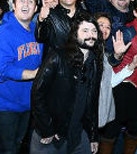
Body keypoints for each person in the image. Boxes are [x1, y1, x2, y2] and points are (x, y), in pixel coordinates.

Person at [30, 13, 102, 154]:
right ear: (75, 34)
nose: (91, 35)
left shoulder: (94, 62)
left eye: (94, 31)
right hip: (51, 136)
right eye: (85, 31)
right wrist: (47, 128)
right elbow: (37, 94)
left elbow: (92, 102)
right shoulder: (57, 56)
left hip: (77, 135)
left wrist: (93, 135)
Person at [0, 0, 41, 154]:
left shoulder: (37, 32)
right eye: (22, 0)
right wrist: (34, 74)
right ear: (13, 5)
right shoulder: (2, 34)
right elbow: (1, 70)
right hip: (3, 103)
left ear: (35, 8)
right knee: (8, 148)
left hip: (25, 102)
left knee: (18, 143)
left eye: (31, 1)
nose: (26, 3)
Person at [101, 0, 137, 154]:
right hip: (121, 85)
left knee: (134, 128)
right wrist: (116, 56)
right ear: (135, 12)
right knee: (113, 127)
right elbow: (111, 56)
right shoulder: (127, 31)